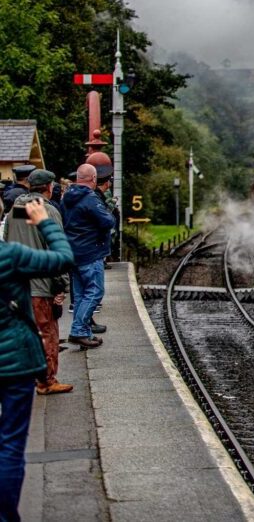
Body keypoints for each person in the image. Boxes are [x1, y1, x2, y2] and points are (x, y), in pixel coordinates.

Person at [0, 198, 74, 520]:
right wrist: (44, 221)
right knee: (11, 445)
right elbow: (63, 258)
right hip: (14, 362)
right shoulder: (9, 256)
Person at [3, 170, 72, 395]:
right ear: (49, 187)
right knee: (47, 332)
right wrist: (62, 287)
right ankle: (47, 381)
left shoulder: (14, 212)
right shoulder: (48, 211)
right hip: (42, 285)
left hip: (18, 287)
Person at [61, 164, 114, 349]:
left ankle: (84, 333)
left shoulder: (66, 196)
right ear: (93, 179)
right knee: (95, 292)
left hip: (73, 252)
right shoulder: (90, 198)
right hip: (90, 252)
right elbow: (107, 221)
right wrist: (109, 211)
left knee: (80, 294)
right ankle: (77, 331)